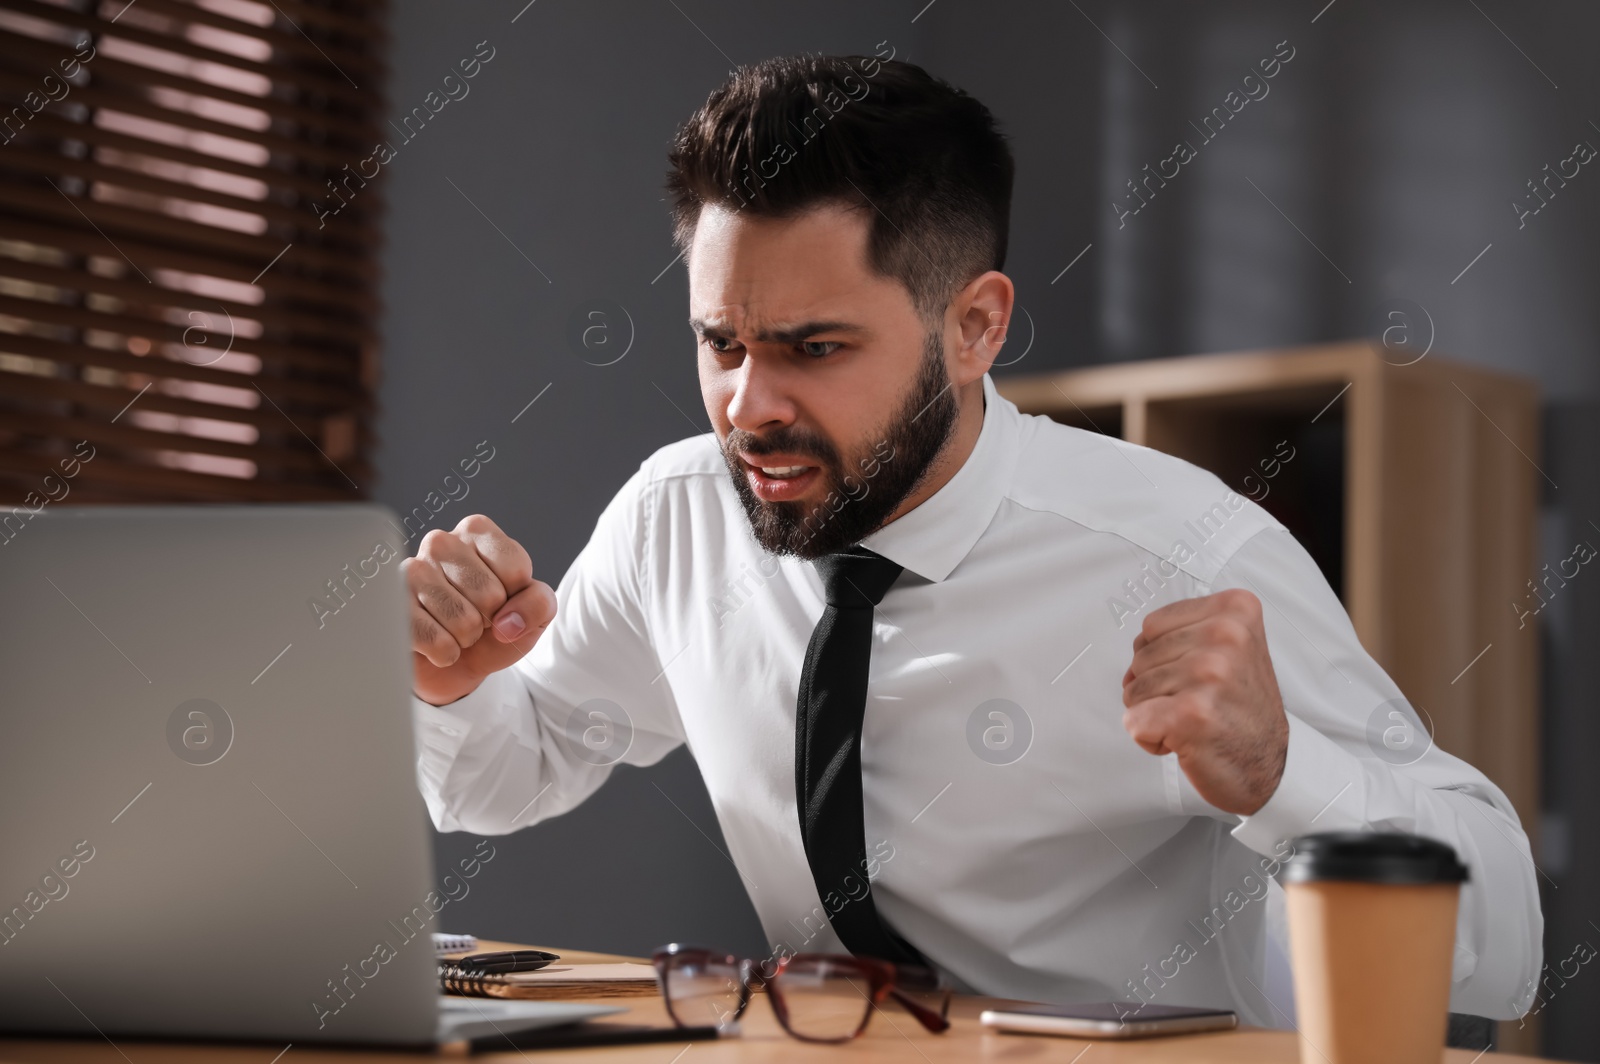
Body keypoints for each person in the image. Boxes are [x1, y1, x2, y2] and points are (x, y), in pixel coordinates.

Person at [402, 53, 1540, 1025]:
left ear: (974, 327)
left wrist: (1283, 773)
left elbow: (1508, 948)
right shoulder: (680, 514)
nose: (747, 404)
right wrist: (451, 689)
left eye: (814, 347)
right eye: (721, 342)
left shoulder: (1187, 551)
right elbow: (511, 769)